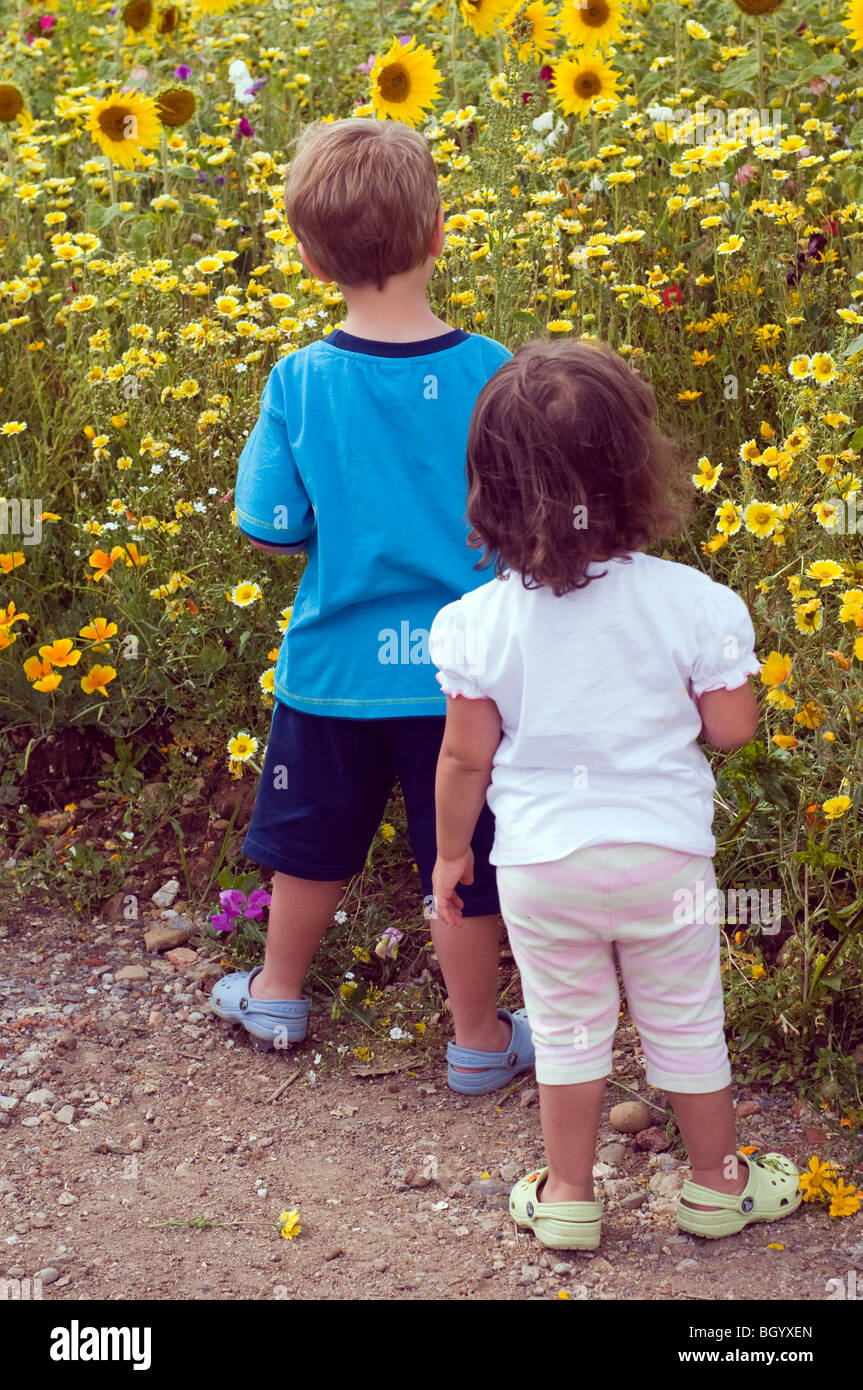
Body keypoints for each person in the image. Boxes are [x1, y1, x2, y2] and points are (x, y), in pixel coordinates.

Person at [430, 338, 802, 1245]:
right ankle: (717, 1185)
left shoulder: (478, 623)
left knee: (563, 1029)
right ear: (636, 472)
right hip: (662, 858)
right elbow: (731, 728)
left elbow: (462, 761)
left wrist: (449, 856)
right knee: (684, 1018)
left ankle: (566, 1197)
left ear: (491, 488)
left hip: (539, 865)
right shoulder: (691, 602)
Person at [212, 117, 535, 1094]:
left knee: (308, 847)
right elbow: (525, 516)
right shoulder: (493, 370)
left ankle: (276, 993)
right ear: (439, 231)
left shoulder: (300, 379)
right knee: (464, 861)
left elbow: (268, 524)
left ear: (311, 259)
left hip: (335, 671)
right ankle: (478, 1040)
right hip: (466, 680)